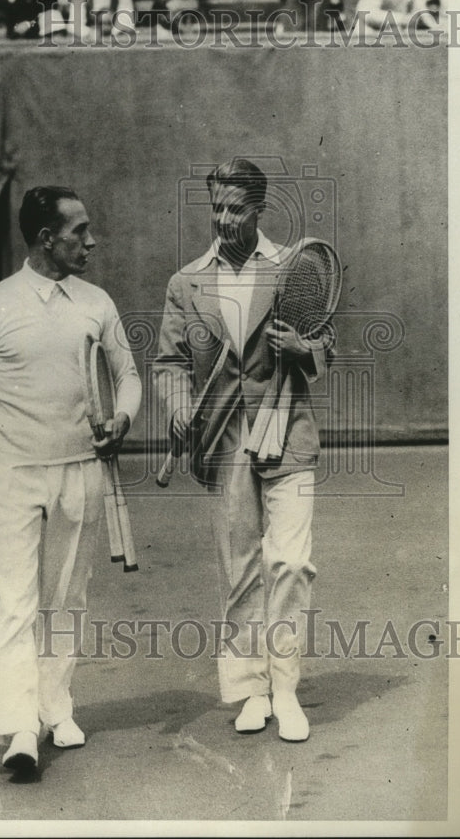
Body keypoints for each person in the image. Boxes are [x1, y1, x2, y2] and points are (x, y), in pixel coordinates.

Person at [0, 186, 141, 775]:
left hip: (81, 470)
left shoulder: (97, 302)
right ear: (47, 238)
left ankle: (56, 705)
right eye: (80, 231)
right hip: (12, 474)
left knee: (67, 600)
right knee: (19, 601)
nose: (92, 241)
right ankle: (20, 728)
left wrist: (123, 418)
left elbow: (128, 376)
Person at [155, 158, 333, 743]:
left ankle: (285, 688)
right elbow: (169, 364)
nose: (223, 219)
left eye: (236, 208)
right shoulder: (186, 281)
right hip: (224, 441)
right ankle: (249, 689)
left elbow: (325, 344)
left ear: (259, 209)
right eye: (217, 207)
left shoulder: (290, 266)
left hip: (289, 434)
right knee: (239, 571)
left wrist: (301, 346)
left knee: (290, 561)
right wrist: (181, 407)